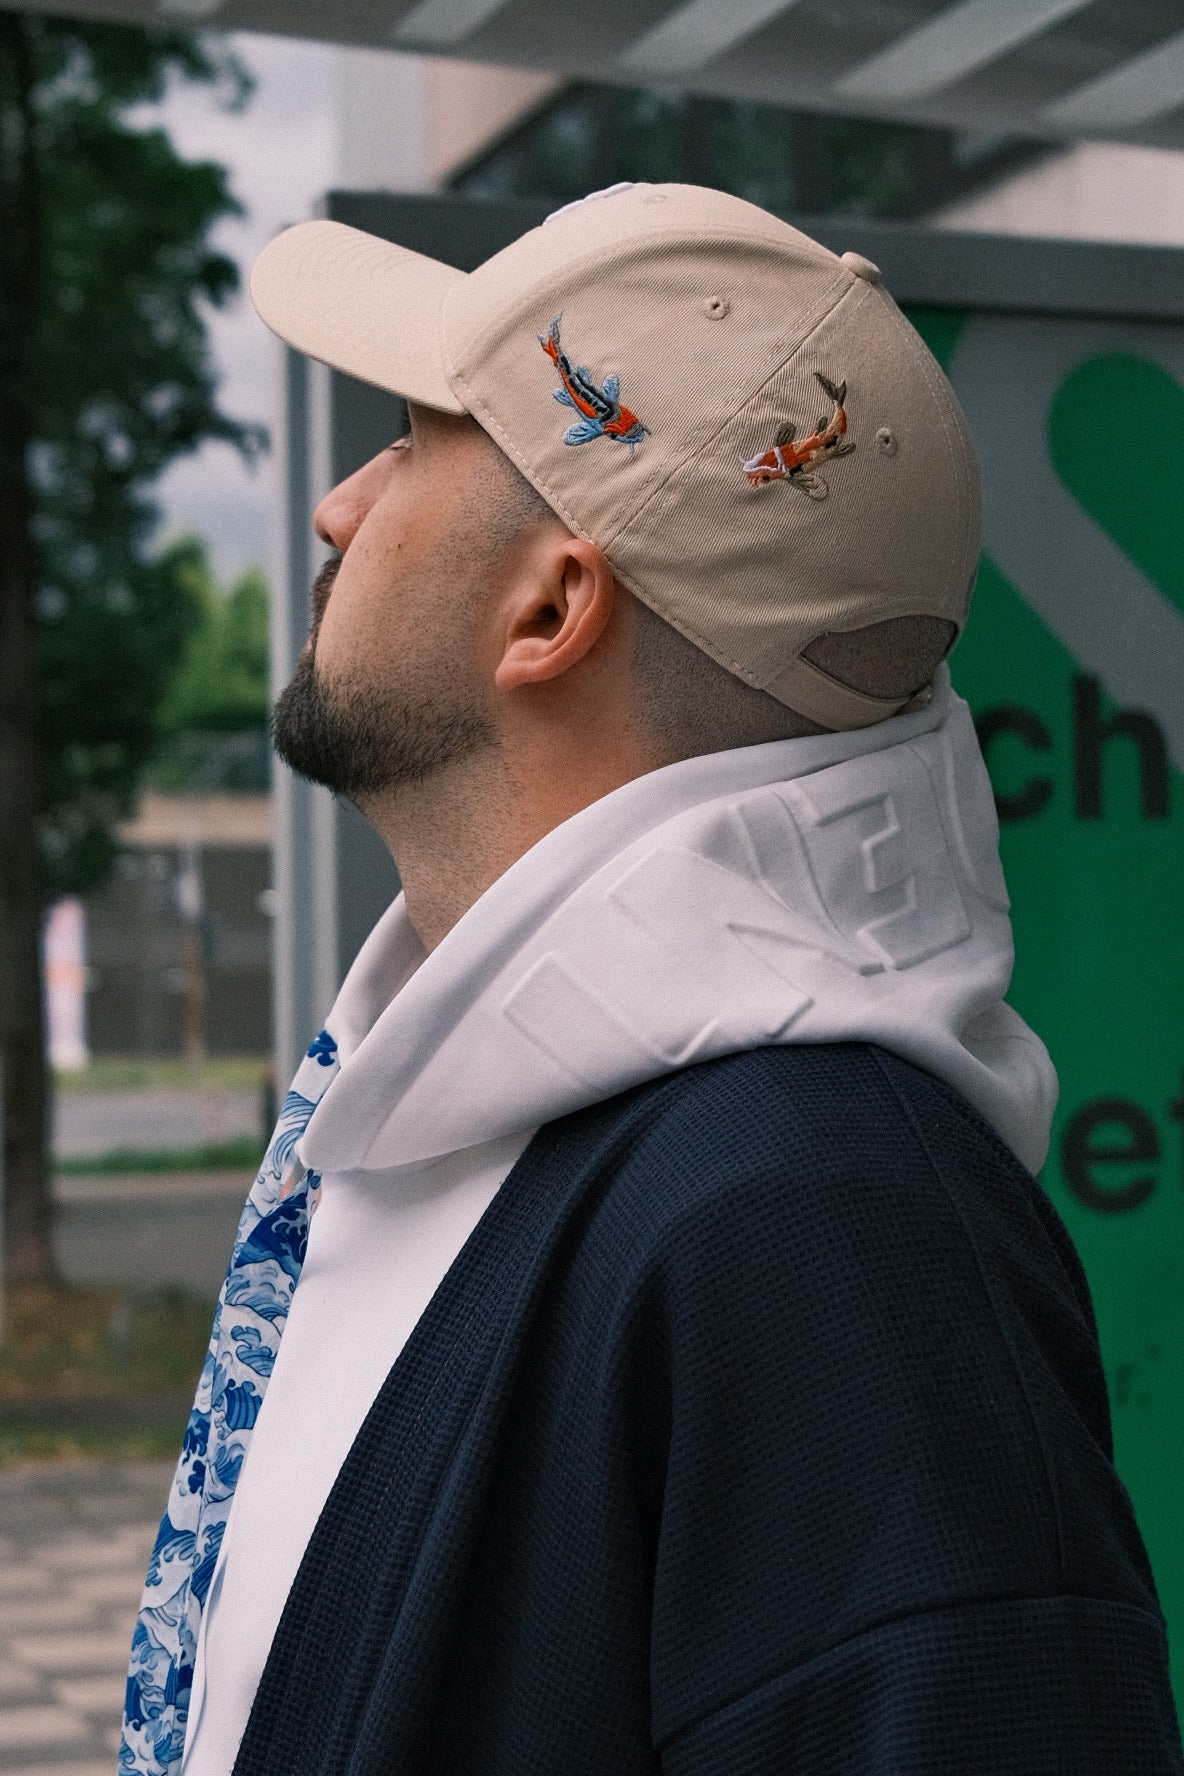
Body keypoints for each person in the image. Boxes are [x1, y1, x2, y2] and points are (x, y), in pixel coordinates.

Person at [121, 183, 1183, 1776]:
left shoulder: (829, 1231)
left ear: (552, 606)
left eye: (411, 441)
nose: (341, 505)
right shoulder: (507, 1110)